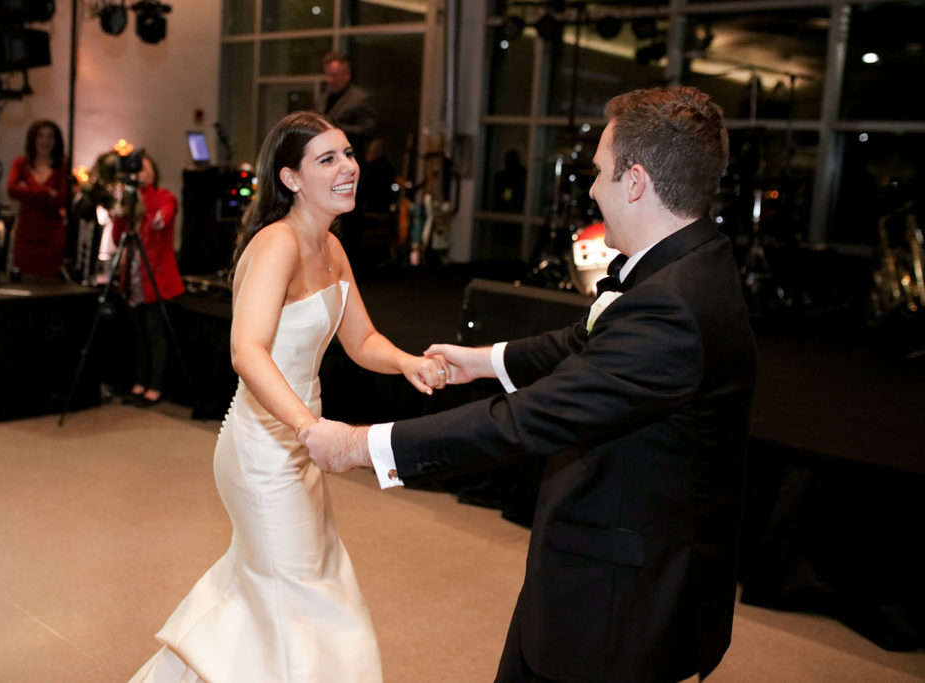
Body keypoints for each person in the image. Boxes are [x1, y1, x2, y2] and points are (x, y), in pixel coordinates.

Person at [302, 85, 759, 683]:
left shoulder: (670, 307)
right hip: (612, 564)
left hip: (621, 598)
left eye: (599, 174)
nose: (592, 189)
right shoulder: (691, 264)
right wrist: (482, 360)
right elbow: (585, 342)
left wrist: (363, 446)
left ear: (637, 182)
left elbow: (525, 420)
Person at [128, 111, 448, 683]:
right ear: (291, 178)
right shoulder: (276, 245)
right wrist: (308, 427)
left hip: (301, 441)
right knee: (303, 595)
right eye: (327, 159)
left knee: (280, 586)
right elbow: (246, 351)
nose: (348, 167)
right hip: (263, 447)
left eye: (348, 154)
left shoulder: (330, 247)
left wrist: (409, 363)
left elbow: (362, 339)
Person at [110, 152, 184, 406]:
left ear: (153, 173)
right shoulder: (130, 201)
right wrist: (121, 210)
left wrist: (146, 200)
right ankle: (140, 382)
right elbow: (116, 237)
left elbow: (161, 220)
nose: (139, 174)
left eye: (144, 169)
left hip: (156, 278)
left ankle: (155, 385)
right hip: (134, 277)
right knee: (139, 333)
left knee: (155, 333)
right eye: (136, 170)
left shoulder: (164, 197)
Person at [315, 51, 377, 275]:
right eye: (328, 76)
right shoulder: (324, 97)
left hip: (350, 167)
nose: (331, 80)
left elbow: (370, 129)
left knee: (351, 220)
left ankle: (353, 267)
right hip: (327, 169)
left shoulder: (360, 98)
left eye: (335, 76)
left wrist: (338, 129)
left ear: (347, 74)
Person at [7, 119, 68, 280]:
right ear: (33, 139)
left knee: (50, 279)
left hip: (52, 231)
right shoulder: (20, 163)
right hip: (27, 230)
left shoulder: (61, 166)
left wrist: (27, 190)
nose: (45, 141)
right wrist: (47, 192)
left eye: (50, 137)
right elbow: (12, 190)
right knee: (25, 277)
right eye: (41, 136)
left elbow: (62, 198)